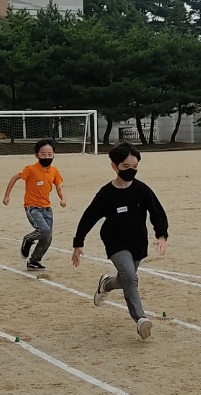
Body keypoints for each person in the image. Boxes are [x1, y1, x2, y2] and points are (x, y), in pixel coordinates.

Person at [71, 143, 168, 340]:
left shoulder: (142, 190)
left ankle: (106, 284)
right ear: (114, 166)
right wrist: (78, 243)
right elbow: (89, 216)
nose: (130, 171)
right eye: (125, 167)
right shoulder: (106, 194)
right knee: (131, 279)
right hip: (115, 241)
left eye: (135, 167)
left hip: (137, 242)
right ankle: (140, 319)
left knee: (125, 280)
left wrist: (161, 235)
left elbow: (157, 212)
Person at [2, 138, 67, 271]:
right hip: (32, 207)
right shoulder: (31, 169)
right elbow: (14, 178)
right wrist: (7, 195)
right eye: (43, 154)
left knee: (47, 237)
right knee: (44, 230)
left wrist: (62, 198)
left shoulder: (54, 171)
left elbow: (59, 187)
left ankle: (34, 261)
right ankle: (28, 239)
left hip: (47, 208)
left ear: (54, 154)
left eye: (50, 154)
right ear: (36, 155)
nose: (47, 157)